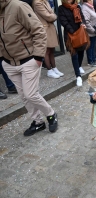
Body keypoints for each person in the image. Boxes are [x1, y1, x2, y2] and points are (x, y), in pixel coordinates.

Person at [0, 0, 58, 135]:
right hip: (9, 63)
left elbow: (38, 30)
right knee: (24, 96)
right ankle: (38, 122)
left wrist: (38, 57)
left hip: (28, 60)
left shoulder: (18, 6)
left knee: (31, 94)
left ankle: (51, 114)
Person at [32, 0, 64, 79]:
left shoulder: (45, 1)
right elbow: (49, 16)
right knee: (47, 51)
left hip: (50, 28)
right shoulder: (37, 2)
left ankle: (54, 68)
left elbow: (51, 14)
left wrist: (52, 15)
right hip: (44, 29)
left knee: (51, 50)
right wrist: (54, 16)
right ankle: (49, 70)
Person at [58, 0, 87, 87]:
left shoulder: (77, 6)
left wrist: (83, 24)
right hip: (70, 35)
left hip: (80, 33)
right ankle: (78, 76)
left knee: (81, 51)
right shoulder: (61, 8)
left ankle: (79, 66)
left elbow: (82, 17)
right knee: (74, 54)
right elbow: (64, 22)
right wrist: (73, 32)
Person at [82, 0, 96, 66]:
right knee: (90, 47)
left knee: (92, 46)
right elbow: (86, 22)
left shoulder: (90, 7)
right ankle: (90, 61)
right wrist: (93, 30)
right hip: (90, 32)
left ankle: (93, 59)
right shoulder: (85, 8)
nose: (93, 0)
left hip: (94, 31)